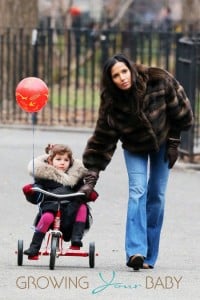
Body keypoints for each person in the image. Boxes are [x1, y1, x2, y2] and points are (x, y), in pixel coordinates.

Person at [79, 53, 194, 270]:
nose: (122, 78)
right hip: (134, 146)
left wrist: (174, 143)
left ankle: (150, 256)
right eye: (115, 75)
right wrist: (92, 176)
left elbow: (181, 112)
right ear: (110, 80)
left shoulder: (159, 80)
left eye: (124, 71)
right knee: (137, 192)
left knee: (157, 195)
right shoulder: (111, 100)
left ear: (131, 69)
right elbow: (103, 136)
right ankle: (135, 252)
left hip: (162, 142)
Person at [22, 144, 98, 258]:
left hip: (70, 209)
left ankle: (76, 239)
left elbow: (82, 190)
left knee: (82, 207)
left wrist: (89, 193)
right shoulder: (45, 177)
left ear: (70, 163)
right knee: (47, 217)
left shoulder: (74, 178)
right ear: (50, 161)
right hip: (50, 206)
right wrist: (31, 191)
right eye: (58, 159)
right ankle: (34, 247)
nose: (62, 163)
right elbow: (38, 191)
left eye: (66, 160)